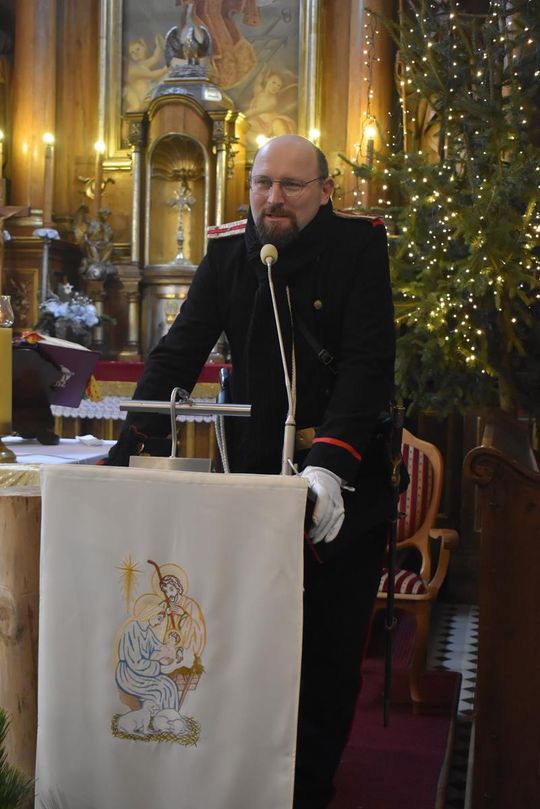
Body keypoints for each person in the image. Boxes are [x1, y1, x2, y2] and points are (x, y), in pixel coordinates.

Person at [104, 134, 395, 809]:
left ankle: (309, 788)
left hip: (341, 486)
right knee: (245, 647)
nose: (274, 198)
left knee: (326, 654)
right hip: (252, 482)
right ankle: (245, 782)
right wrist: (127, 448)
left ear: (325, 191)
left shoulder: (358, 248)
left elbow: (367, 363)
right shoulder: (228, 254)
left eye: (292, 185)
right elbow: (178, 352)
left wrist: (329, 464)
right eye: (263, 183)